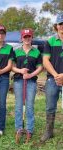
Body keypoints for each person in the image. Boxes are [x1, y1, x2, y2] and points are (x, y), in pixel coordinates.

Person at [12, 28, 43, 143]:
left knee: (29, 106)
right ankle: (19, 128)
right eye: (25, 37)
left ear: (32, 38)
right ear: (21, 38)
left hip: (31, 82)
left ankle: (29, 129)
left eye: (29, 36)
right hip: (19, 81)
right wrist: (20, 71)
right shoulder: (16, 51)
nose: (27, 38)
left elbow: (40, 67)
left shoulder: (36, 52)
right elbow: (12, 67)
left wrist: (31, 75)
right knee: (19, 106)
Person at [40, 13, 63, 142]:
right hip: (52, 79)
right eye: (60, 24)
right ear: (56, 26)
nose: (62, 26)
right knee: (50, 106)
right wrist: (56, 75)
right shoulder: (50, 41)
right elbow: (45, 61)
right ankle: (49, 132)